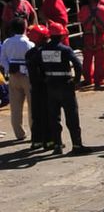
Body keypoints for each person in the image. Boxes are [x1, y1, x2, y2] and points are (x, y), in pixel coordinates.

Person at [32, 21, 88, 155]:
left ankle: (58, 145)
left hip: (51, 87)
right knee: (72, 117)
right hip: (66, 86)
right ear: (62, 35)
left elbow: (33, 65)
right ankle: (77, 145)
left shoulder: (43, 50)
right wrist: (77, 80)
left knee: (54, 118)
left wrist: (42, 79)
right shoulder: (65, 49)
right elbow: (78, 65)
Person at [2, 18, 33, 145]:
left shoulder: (7, 42)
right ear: (25, 28)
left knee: (15, 107)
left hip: (13, 76)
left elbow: (2, 59)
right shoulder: (29, 44)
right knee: (33, 106)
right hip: (27, 76)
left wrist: (9, 69)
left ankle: (19, 133)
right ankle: (35, 131)